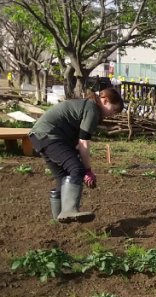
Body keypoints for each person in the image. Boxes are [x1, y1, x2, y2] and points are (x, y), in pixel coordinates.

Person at [28, 87, 124, 223]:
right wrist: (87, 170)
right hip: (49, 135)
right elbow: (83, 143)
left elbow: (78, 144)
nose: (112, 115)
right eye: (113, 110)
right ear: (105, 100)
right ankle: (69, 211)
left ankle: (59, 220)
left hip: (40, 136)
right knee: (76, 169)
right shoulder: (93, 109)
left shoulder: (87, 106)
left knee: (63, 176)